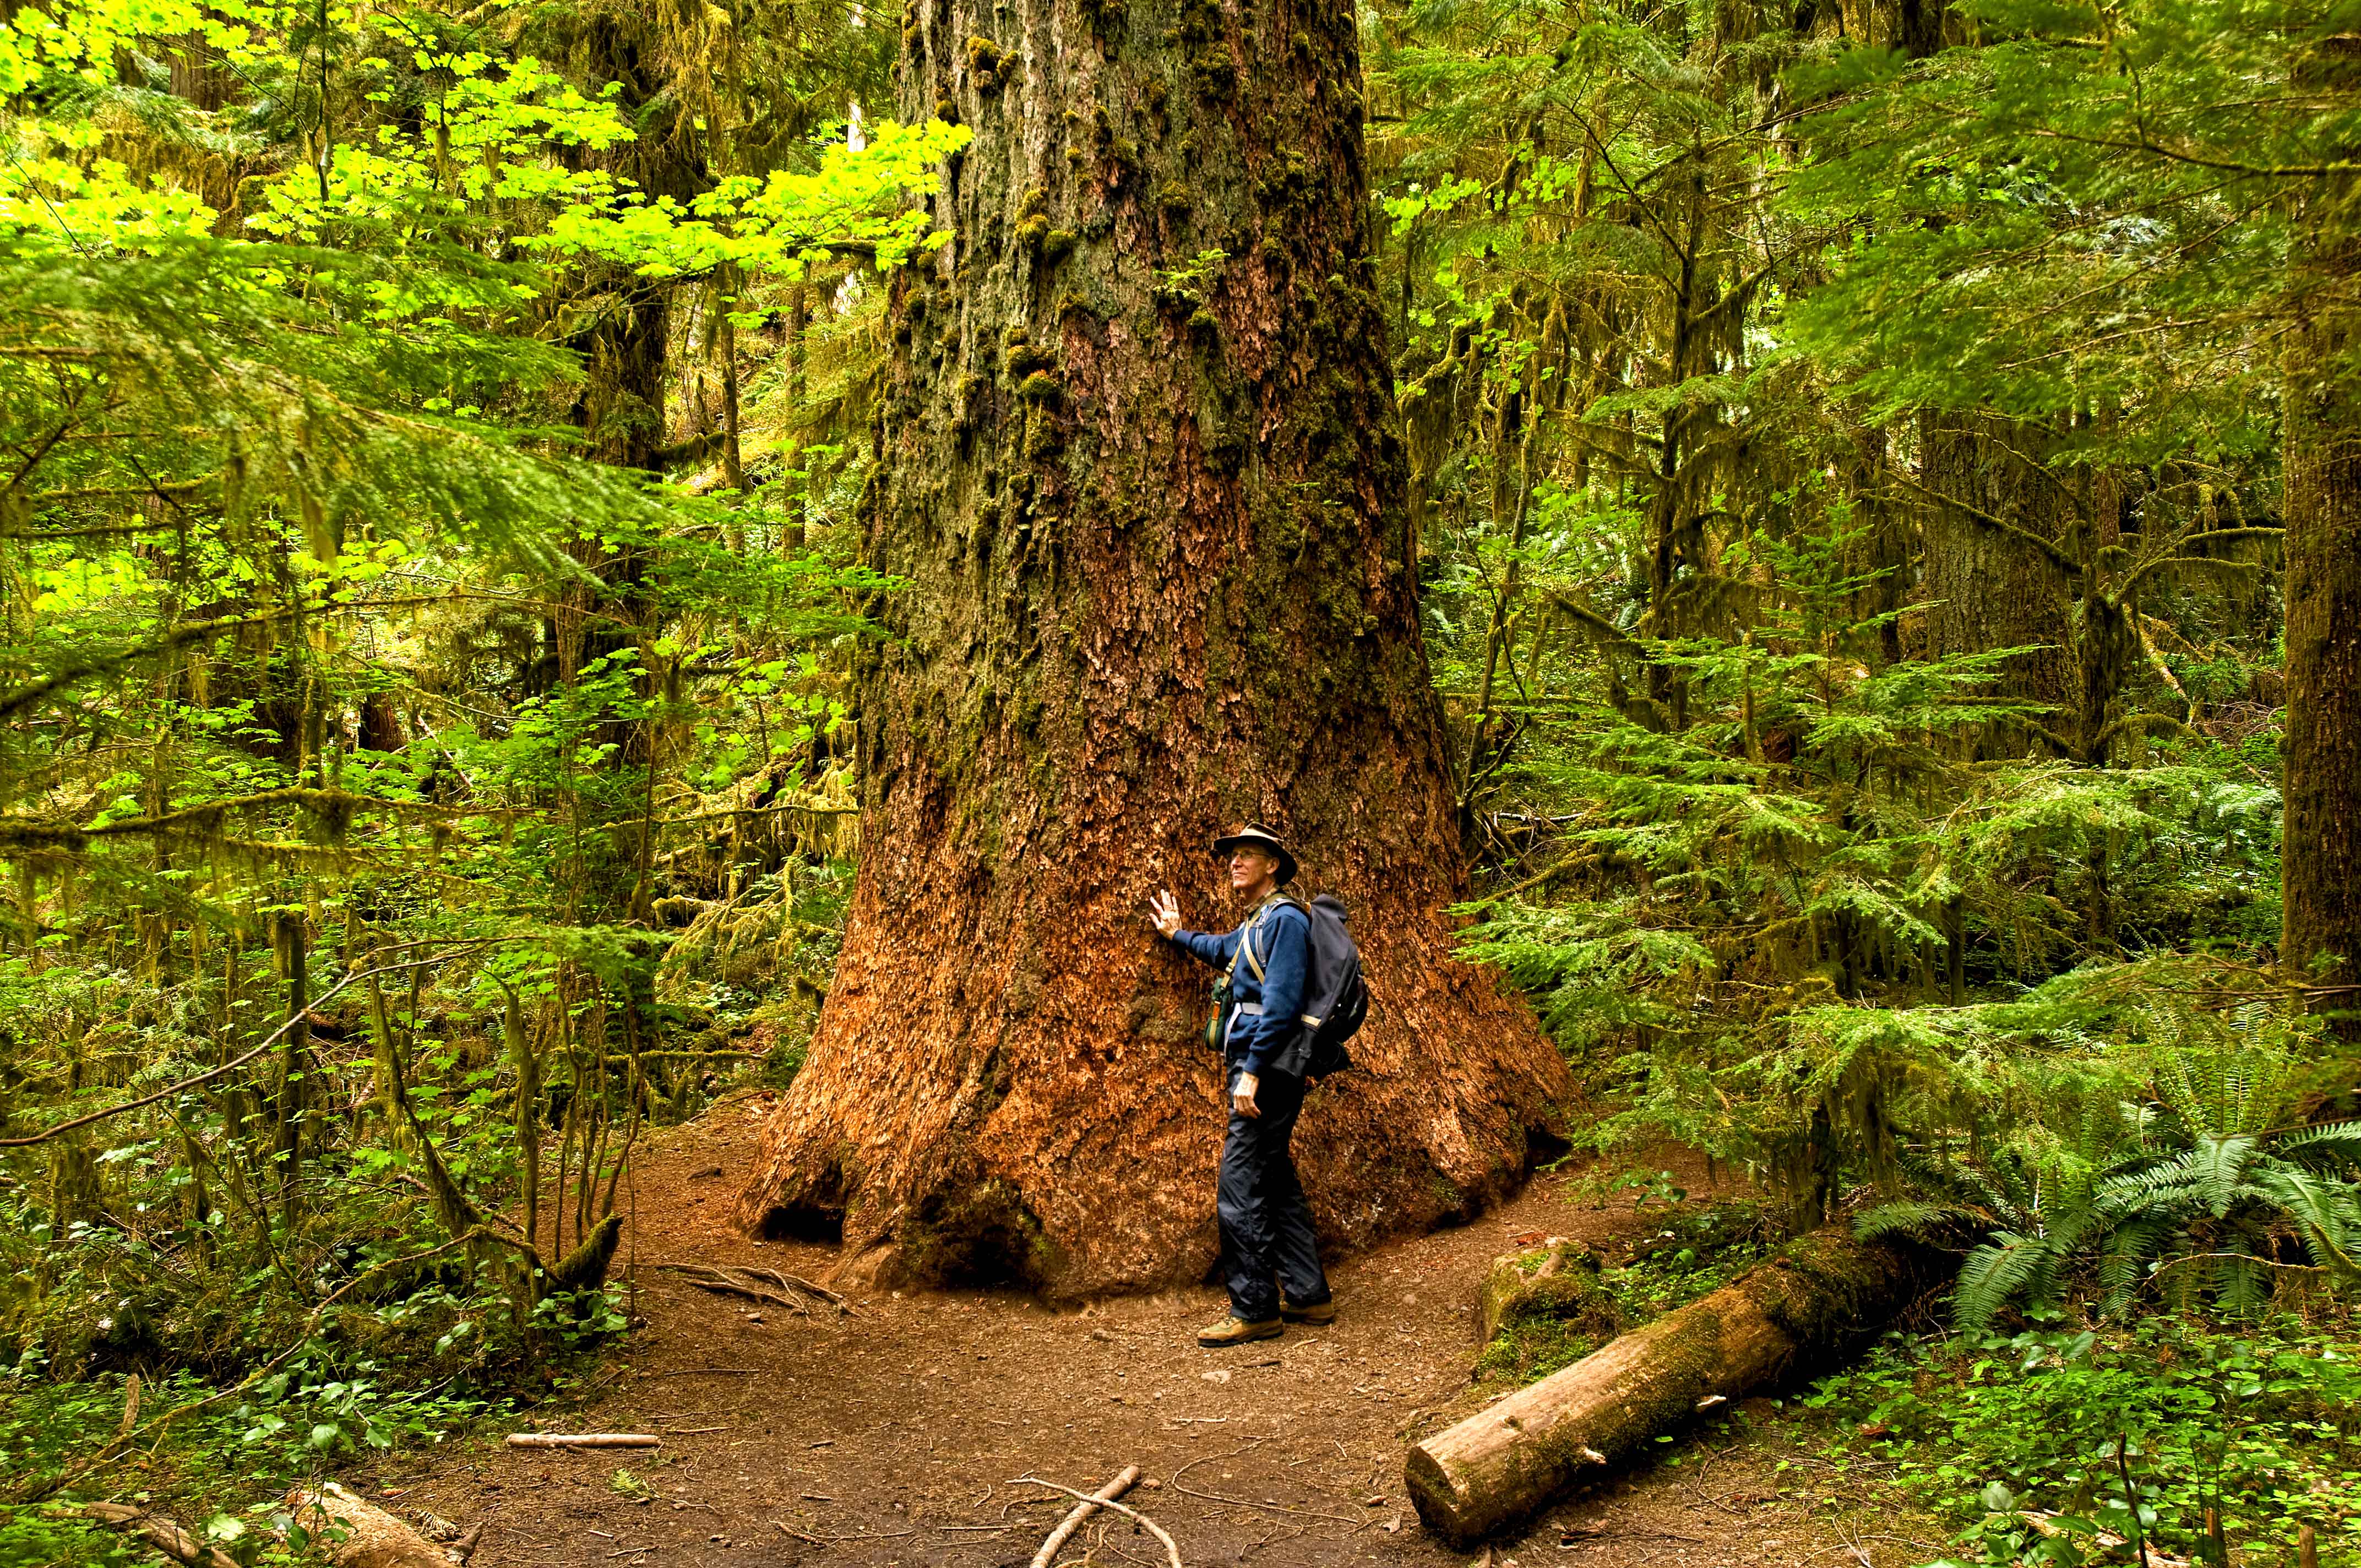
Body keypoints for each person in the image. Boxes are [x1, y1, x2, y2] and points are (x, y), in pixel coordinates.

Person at [1147, 825, 1337, 1347]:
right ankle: (1308, 1295)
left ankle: (1254, 1307)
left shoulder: (1286, 922)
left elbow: (1280, 1004)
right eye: (1232, 856)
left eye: (1247, 855)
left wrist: (1251, 1070)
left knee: (1239, 1184)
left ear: (1273, 865)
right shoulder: (1257, 923)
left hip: (1268, 1070)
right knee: (1274, 1179)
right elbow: (1223, 950)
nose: (1235, 862)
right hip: (1263, 1065)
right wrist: (1176, 935)